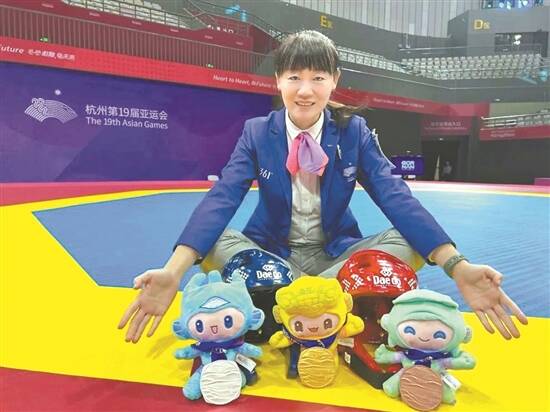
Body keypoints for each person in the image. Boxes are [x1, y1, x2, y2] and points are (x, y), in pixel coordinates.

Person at [118, 30, 527, 344]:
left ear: (334, 81)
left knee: (411, 240)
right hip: (271, 252)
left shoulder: (354, 132)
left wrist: (457, 265)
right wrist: (173, 271)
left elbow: (394, 196)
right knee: (213, 241)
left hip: (337, 254)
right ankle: (328, 303)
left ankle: (290, 300)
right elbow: (223, 197)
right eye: (294, 77)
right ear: (278, 80)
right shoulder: (257, 133)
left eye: (318, 77)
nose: (305, 90)